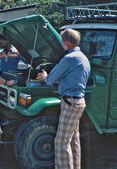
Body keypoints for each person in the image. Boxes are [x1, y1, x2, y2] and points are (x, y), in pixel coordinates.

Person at [37, 29, 91, 169]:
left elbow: (49, 80)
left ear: (66, 41)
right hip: (78, 101)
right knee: (73, 141)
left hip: (70, 103)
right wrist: (60, 81)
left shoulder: (69, 58)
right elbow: (73, 80)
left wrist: (43, 77)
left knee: (61, 143)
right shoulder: (83, 58)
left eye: (62, 41)